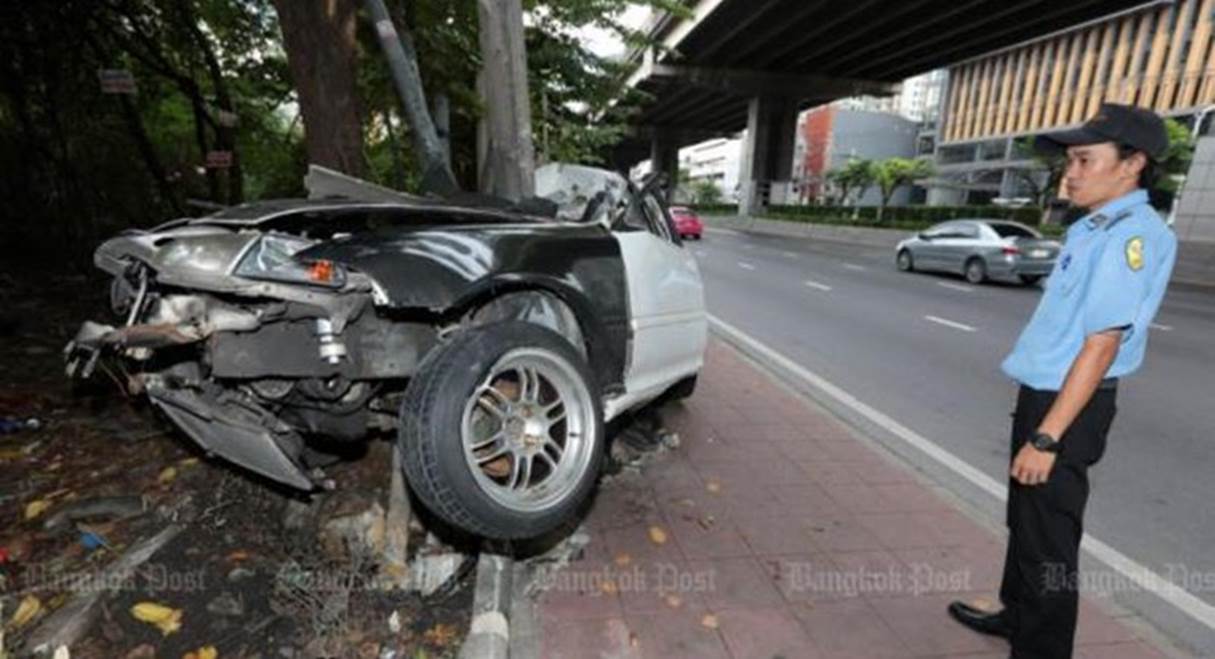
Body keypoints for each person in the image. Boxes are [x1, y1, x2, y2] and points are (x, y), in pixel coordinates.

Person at [946, 103, 1177, 659]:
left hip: (1069, 407)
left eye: (1083, 159)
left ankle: (1042, 649)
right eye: (1069, 160)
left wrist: (1048, 437)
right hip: (1050, 395)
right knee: (1025, 522)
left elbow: (1102, 344)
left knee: (1049, 539)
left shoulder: (1128, 236)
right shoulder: (1094, 225)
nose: (1069, 172)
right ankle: (1018, 615)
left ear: (1132, 164)